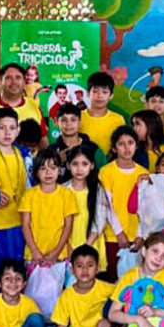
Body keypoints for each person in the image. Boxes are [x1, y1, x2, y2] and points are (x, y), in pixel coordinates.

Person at [99, 126, 149, 279]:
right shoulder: (106, 172)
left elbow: (146, 208)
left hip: (137, 237)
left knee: (136, 282)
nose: (127, 148)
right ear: (114, 148)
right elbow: (106, 205)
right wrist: (119, 233)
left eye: (130, 143)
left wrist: (141, 235)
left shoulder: (143, 173)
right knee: (115, 280)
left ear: (136, 145)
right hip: (113, 236)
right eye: (121, 144)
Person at [20, 148, 78, 265]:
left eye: (53, 168)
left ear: (59, 170)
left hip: (60, 255)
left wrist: (56, 252)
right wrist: (35, 251)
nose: (48, 172)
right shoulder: (29, 195)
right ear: (35, 172)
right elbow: (25, 225)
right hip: (33, 255)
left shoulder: (67, 195)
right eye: (43, 168)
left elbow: (68, 226)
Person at [64, 146, 103, 254]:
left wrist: (86, 247)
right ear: (68, 165)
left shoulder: (97, 189)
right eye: (75, 164)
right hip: (67, 245)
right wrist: (67, 246)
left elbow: (100, 221)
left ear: (92, 166)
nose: (79, 169)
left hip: (92, 243)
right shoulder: (63, 190)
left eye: (85, 164)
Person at [0, 63, 44, 128]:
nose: (14, 82)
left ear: (23, 82)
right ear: (0, 82)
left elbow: (43, 137)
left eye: (18, 77)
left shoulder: (34, 107)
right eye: (8, 78)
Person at [53, 103, 106, 178]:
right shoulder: (52, 151)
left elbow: (106, 175)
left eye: (73, 120)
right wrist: (58, 163)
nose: (69, 124)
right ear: (56, 122)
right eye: (64, 120)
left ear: (80, 122)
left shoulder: (93, 149)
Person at [82, 72, 127, 155]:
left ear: (111, 96)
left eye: (105, 92)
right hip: (82, 165)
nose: (100, 96)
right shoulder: (78, 118)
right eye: (95, 91)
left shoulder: (118, 119)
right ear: (88, 93)